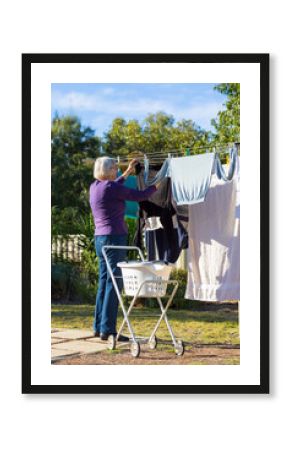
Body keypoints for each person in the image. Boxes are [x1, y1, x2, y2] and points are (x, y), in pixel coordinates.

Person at [89, 156, 159, 341]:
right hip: (114, 238)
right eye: (115, 169)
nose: (117, 171)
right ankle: (108, 329)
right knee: (115, 282)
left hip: (100, 239)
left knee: (104, 281)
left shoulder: (95, 187)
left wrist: (128, 172)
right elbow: (139, 196)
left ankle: (98, 326)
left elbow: (114, 187)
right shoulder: (112, 188)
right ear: (109, 170)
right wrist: (157, 185)